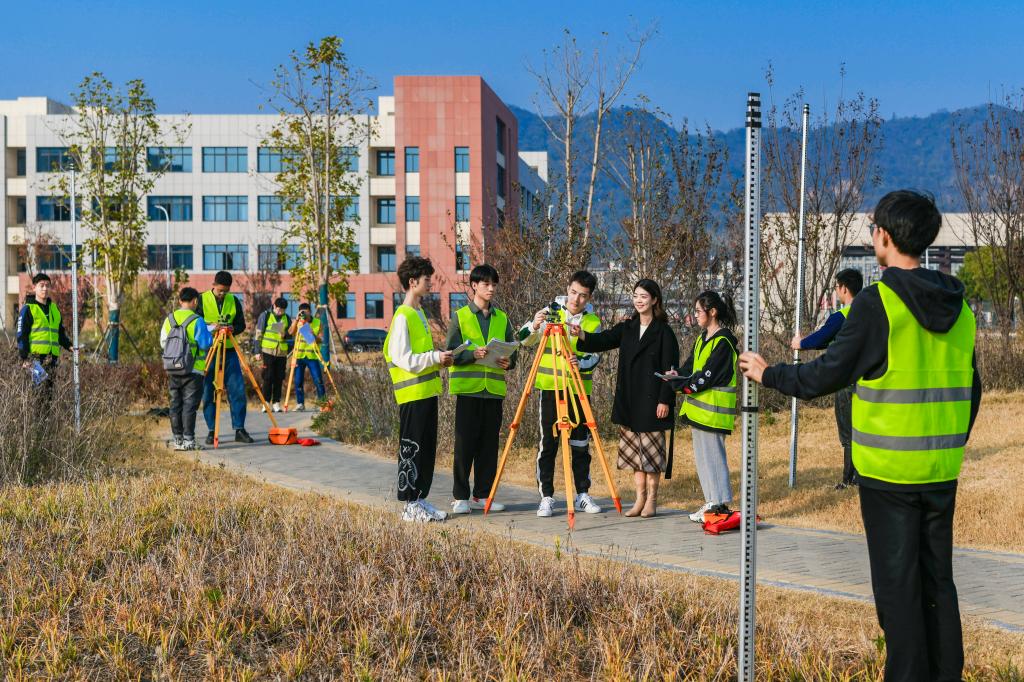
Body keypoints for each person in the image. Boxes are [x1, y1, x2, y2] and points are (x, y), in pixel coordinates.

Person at [739, 190, 980, 682]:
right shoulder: (962, 309)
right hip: (941, 471)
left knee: (898, 592)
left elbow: (826, 373)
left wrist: (769, 374)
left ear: (884, 237)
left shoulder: (878, 304)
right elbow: (971, 389)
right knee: (938, 583)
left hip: (888, 476)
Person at [574, 279, 678, 517]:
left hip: (653, 402)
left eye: (644, 296)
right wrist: (581, 334)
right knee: (635, 457)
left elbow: (670, 369)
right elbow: (604, 340)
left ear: (654, 300)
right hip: (630, 401)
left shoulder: (664, 332)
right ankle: (639, 499)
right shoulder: (627, 327)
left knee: (651, 456)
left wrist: (664, 400)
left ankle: (652, 500)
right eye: (635, 296)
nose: (638, 301)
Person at [521, 270, 603, 518]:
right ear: (568, 288)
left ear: (589, 298)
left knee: (580, 444)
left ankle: (582, 494)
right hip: (550, 388)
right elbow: (523, 340)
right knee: (548, 444)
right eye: (574, 292)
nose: (577, 299)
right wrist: (534, 325)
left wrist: (579, 362)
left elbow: (595, 356)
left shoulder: (592, 322)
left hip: (578, 391)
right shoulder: (550, 313)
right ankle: (546, 496)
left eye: (583, 295)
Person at [383, 256, 454, 522]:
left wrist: (439, 358)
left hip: (426, 393)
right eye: (426, 279)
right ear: (413, 282)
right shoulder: (403, 316)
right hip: (412, 395)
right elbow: (404, 359)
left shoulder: (419, 313)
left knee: (425, 450)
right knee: (411, 449)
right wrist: (436, 358)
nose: (430, 283)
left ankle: (419, 499)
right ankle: (409, 504)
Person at [446, 264, 517, 514]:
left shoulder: (503, 318)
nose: (491, 288)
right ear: (474, 285)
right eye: (486, 284)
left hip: (493, 392)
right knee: (464, 446)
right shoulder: (460, 316)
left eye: (494, 284)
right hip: (468, 390)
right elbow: (451, 354)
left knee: (488, 447)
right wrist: (472, 355)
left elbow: (512, 351)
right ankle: (460, 497)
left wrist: (510, 362)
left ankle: (483, 496)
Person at [664, 291, 739, 523]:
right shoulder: (702, 338)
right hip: (699, 413)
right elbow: (690, 367)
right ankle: (711, 502)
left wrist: (681, 386)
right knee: (704, 460)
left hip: (714, 413)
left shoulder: (724, 342)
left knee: (714, 459)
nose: (695, 315)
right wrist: (676, 375)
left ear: (712, 312)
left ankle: (720, 504)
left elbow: (707, 376)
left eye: (698, 311)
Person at [791, 267, 864, 489]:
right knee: (863, 430)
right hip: (868, 380)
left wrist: (800, 343)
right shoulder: (869, 313)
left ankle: (850, 480)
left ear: (844, 288)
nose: (836, 291)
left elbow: (821, 338)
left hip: (847, 381)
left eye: (836, 287)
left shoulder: (841, 316)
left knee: (848, 433)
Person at [197, 270, 253, 444]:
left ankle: (239, 429)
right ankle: (211, 430)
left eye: (226, 291)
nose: (223, 294)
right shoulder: (201, 299)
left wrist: (232, 329)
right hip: (210, 350)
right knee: (209, 391)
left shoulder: (233, 300)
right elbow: (196, 323)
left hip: (229, 351)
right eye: (220, 290)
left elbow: (241, 324)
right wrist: (211, 327)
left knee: (237, 390)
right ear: (213, 285)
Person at [160, 287, 212, 450]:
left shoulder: (169, 319)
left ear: (180, 300)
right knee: (190, 405)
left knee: (175, 404)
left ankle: (178, 440)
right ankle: (189, 441)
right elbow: (205, 343)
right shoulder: (197, 320)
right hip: (193, 370)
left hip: (173, 368)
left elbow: (163, 342)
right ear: (195, 301)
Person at [16, 272, 72, 392]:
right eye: (41, 285)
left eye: (47, 285)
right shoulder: (28, 309)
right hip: (35, 359)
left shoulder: (54, 309)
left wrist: (69, 346)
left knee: (49, 393)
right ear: (34, 287)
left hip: (52, 358)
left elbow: (59, 332)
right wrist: (25, 358)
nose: (45, 288)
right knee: (37, 393)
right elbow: (21, 335)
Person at [253, 297, 291, 413]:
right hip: (268, 351)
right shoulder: (265, 315)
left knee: (279, 377)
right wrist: (257, 351)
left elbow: (291, 334)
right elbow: (258, 334)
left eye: (283, 310)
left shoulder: (287, 318)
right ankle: (265, 403)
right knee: (268, 377)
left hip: (281, 352)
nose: (280, 312)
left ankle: (276, 403)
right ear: (274, 306)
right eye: (279, 309)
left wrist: (285, 335)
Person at [289, 302, 326, 411]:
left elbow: (321, 339)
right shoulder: (298, 322)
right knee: (298, 381)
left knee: (318, 380)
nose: (304, 314)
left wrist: (312, 334)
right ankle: (300, 403)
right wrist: (296, 320)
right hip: (299, 355)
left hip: (312, 356)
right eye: (302, 312)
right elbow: (290, 332)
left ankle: (323, 403)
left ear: (310, 312)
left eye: (306, 312)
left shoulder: (317, 322)